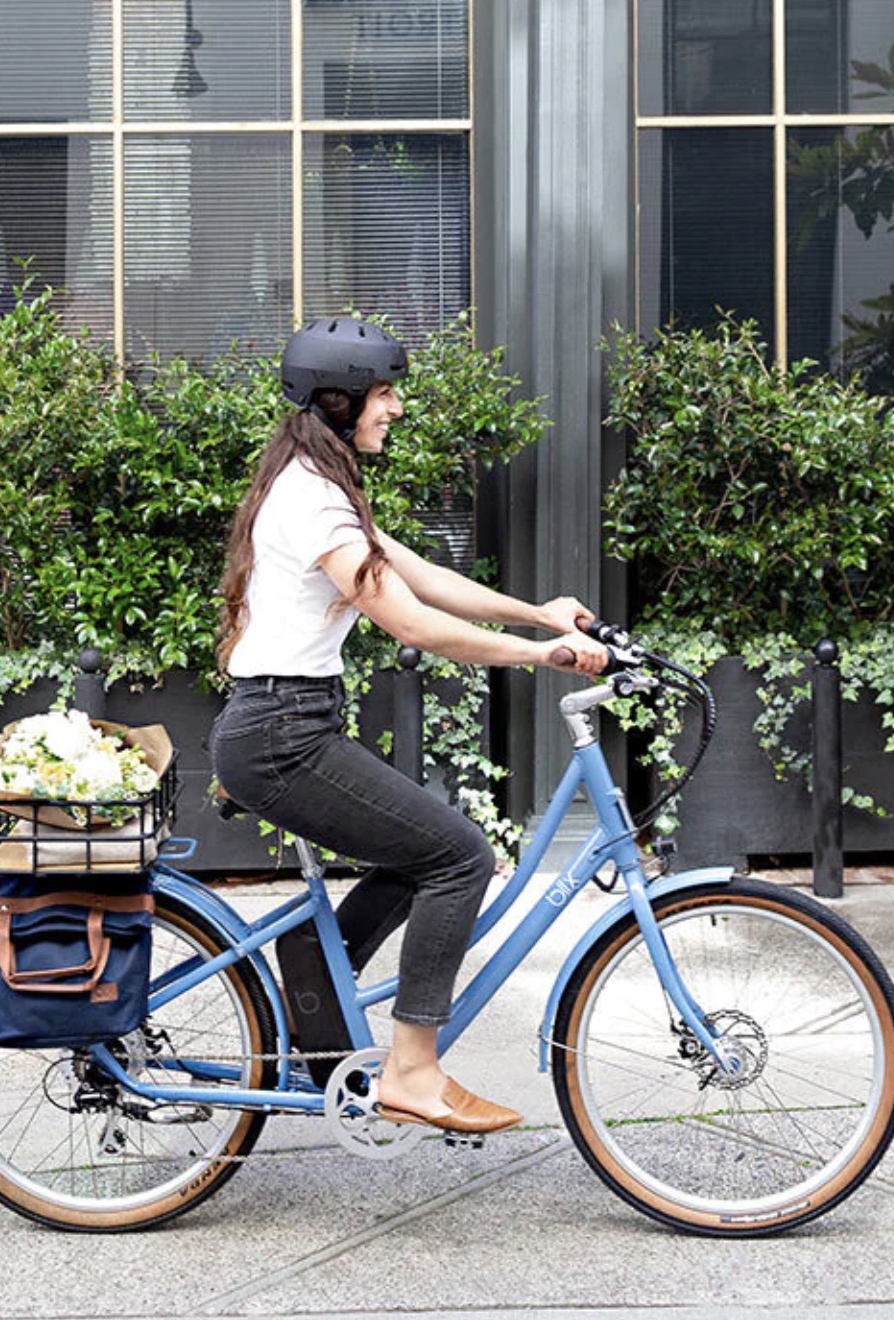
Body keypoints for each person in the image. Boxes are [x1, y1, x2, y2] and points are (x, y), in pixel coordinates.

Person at [210, 315, 609, 1134]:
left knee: (423, 847)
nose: (394, 408)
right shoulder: (314, 500)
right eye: (383, 393)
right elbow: (414, 626)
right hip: (283, 734)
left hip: (290, 725)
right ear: (336, 401)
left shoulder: (318, 485)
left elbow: (419, 578)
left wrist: (540, 614)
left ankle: (314, 979)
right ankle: (413, 1070)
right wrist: (543, 659)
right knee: (460, 857)